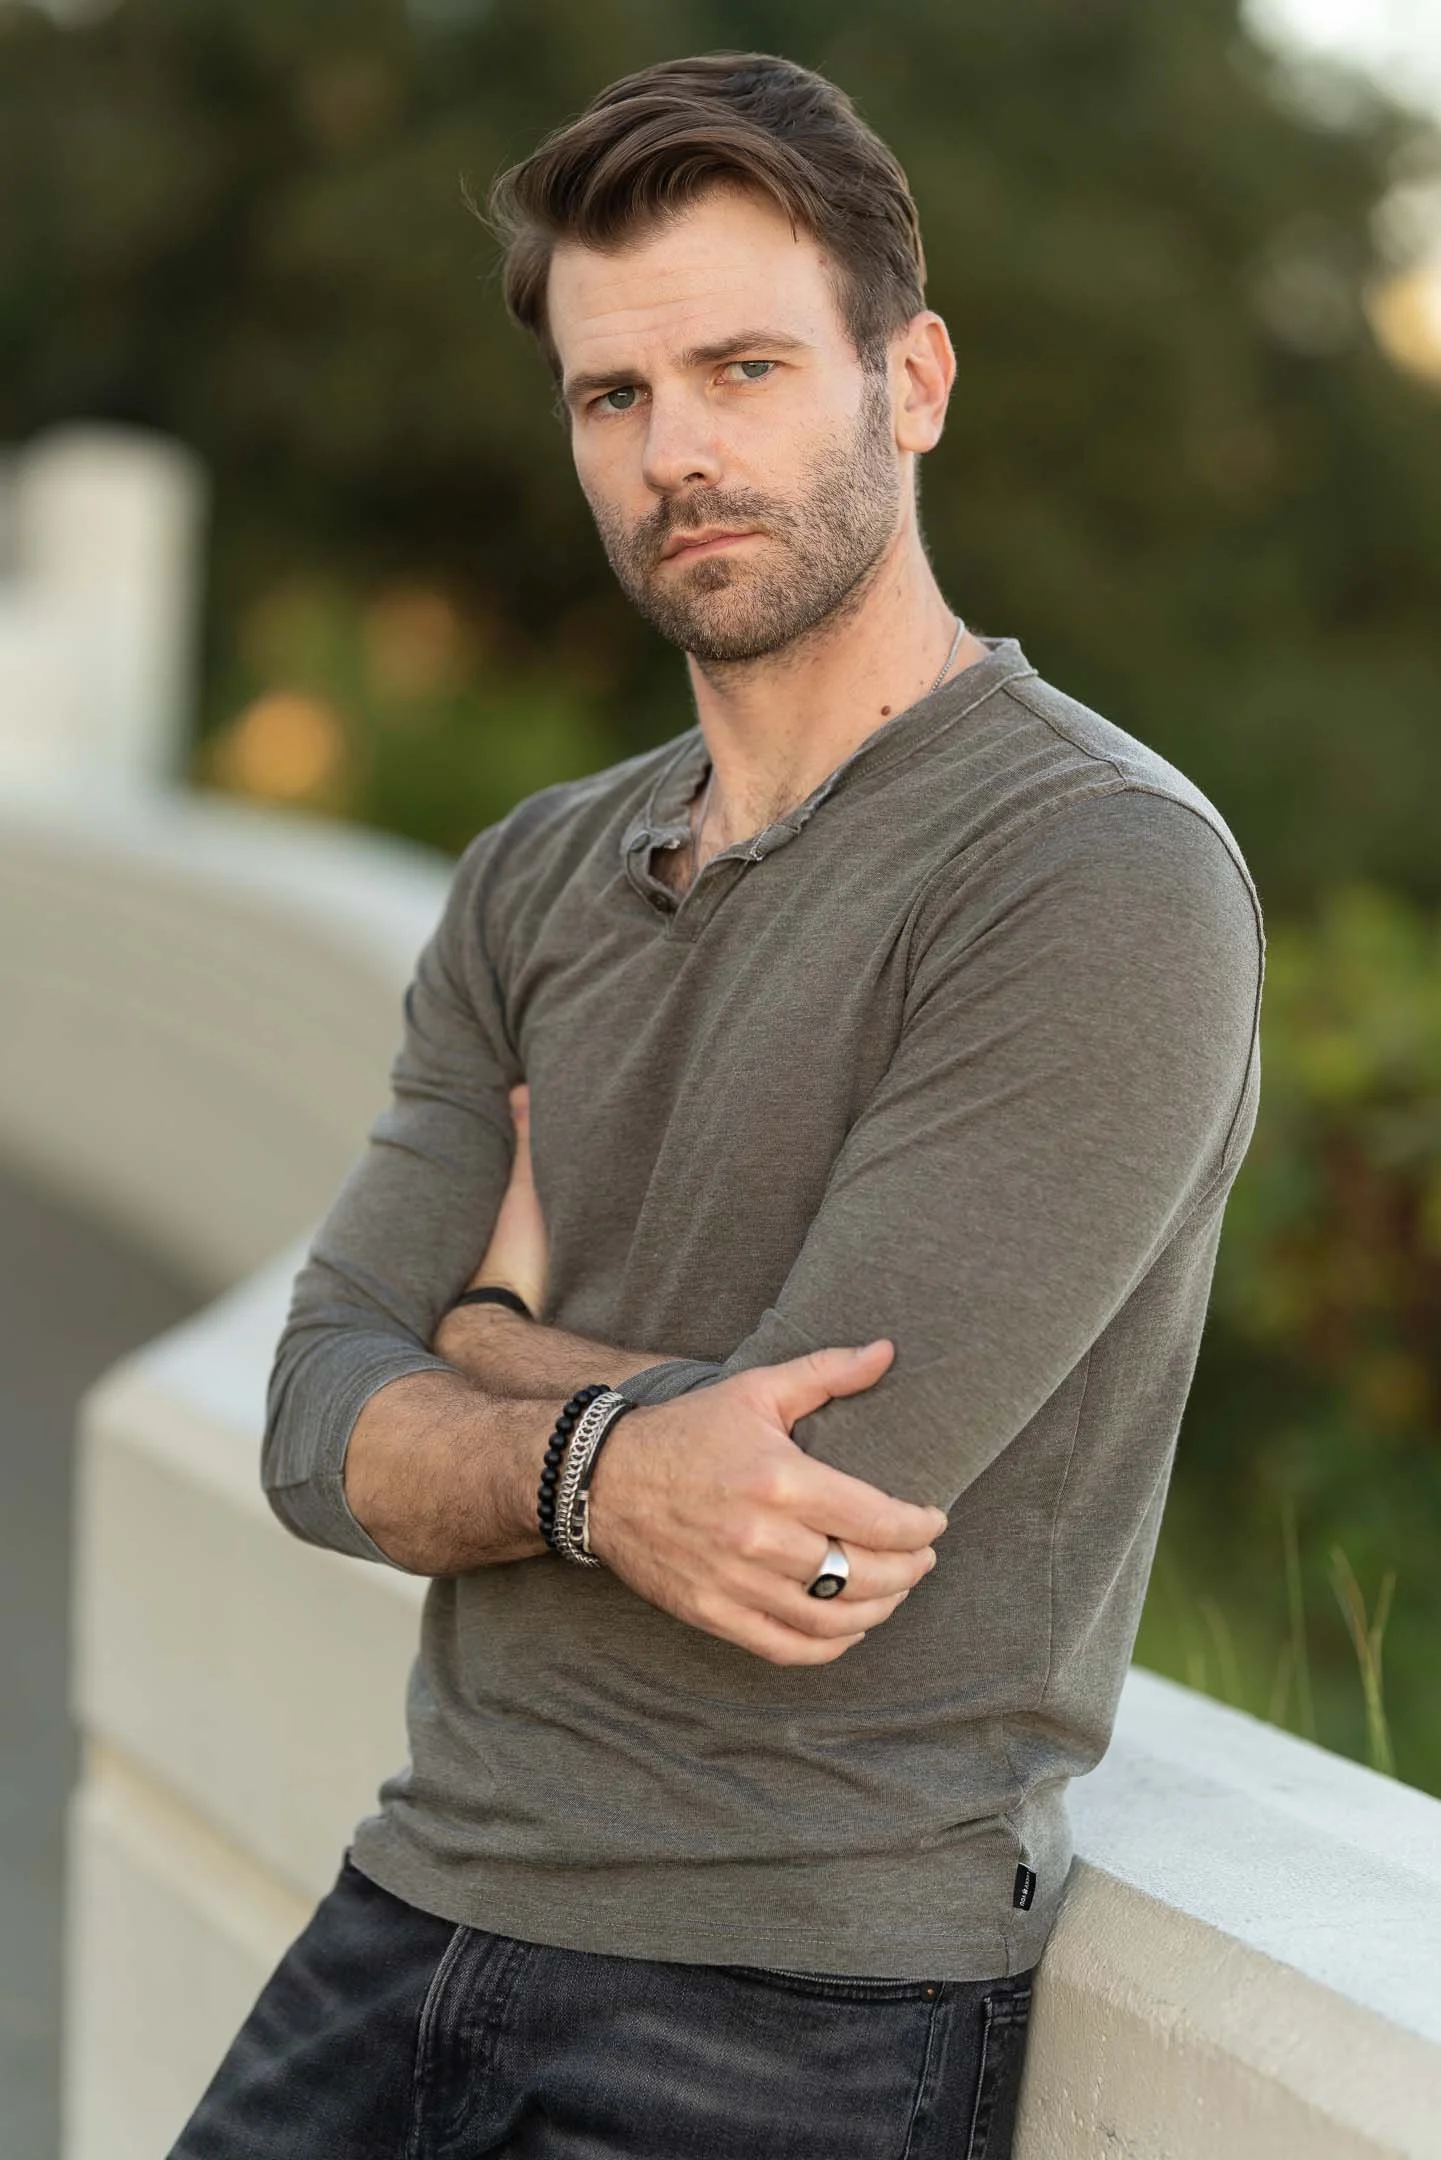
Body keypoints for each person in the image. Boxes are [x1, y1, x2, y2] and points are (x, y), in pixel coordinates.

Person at [171, 49, 1264, 2160]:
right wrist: (607, 1457)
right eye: (616, 397)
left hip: (792, 2000)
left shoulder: (1090, 870)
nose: (680, 451)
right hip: (416, 1906)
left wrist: (479, 1355)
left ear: (912, 380)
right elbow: (314, 1416)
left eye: (748, 367)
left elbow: (818, 1504)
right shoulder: (534, 874)